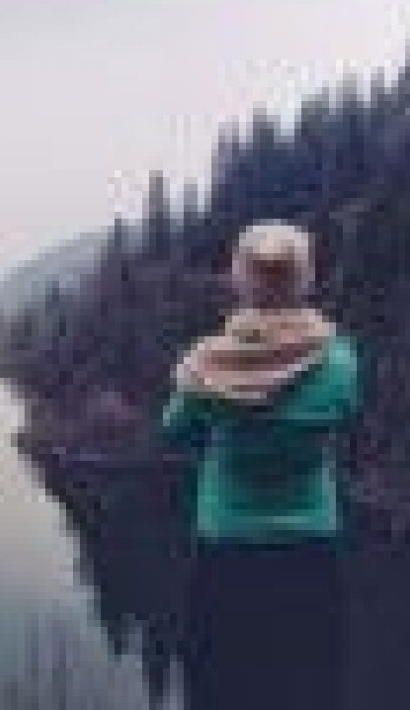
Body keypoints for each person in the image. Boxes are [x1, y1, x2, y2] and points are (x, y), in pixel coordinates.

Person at [159, 221, 360, 710]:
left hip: (226, 551)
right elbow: (346, 413)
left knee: (221, 689)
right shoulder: (339, 362)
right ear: (306, 279)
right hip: (312, 552)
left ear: (240, 279)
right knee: (309, 688)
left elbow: (174, 429)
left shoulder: (206, 367)